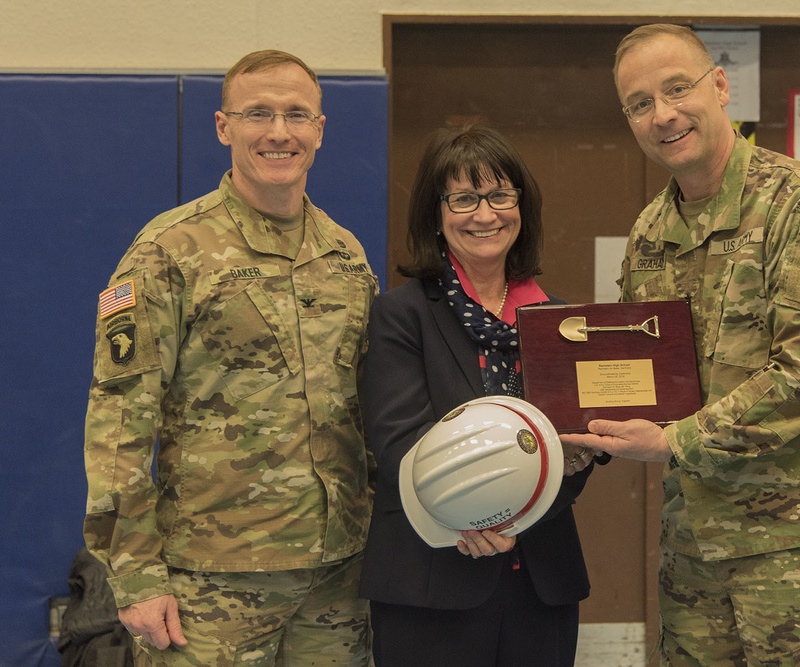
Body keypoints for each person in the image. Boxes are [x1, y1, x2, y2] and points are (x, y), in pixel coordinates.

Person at [561, 24, 800, 666]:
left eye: (677, 89)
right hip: (693, 548)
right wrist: (573, 431)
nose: (663, 114)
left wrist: (676, 441)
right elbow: (637, 374)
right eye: (640, 103)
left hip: (798, 543)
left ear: (721, 85)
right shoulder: (651, 230)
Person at [82, 49, 377, 666]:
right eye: (257, 114)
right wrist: (135, 574)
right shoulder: (168, 250)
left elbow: (371, 404)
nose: (278, 132)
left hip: (337, 574)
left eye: (297, 115)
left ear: (320, 130)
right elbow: (119, 420)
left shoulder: (344, 255)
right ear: (223, 127)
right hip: (211, 579)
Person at [359, 123, 596, 667]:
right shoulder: (402, 316)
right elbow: (400, 445)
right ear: (435, 213)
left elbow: (575, 448)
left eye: (499, 194)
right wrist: (468, 519)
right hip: (432, 579)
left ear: (522, 205)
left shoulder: (559, 321)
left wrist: (517, 521)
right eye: (463, 198)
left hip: (542, 582)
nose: (484, 214)